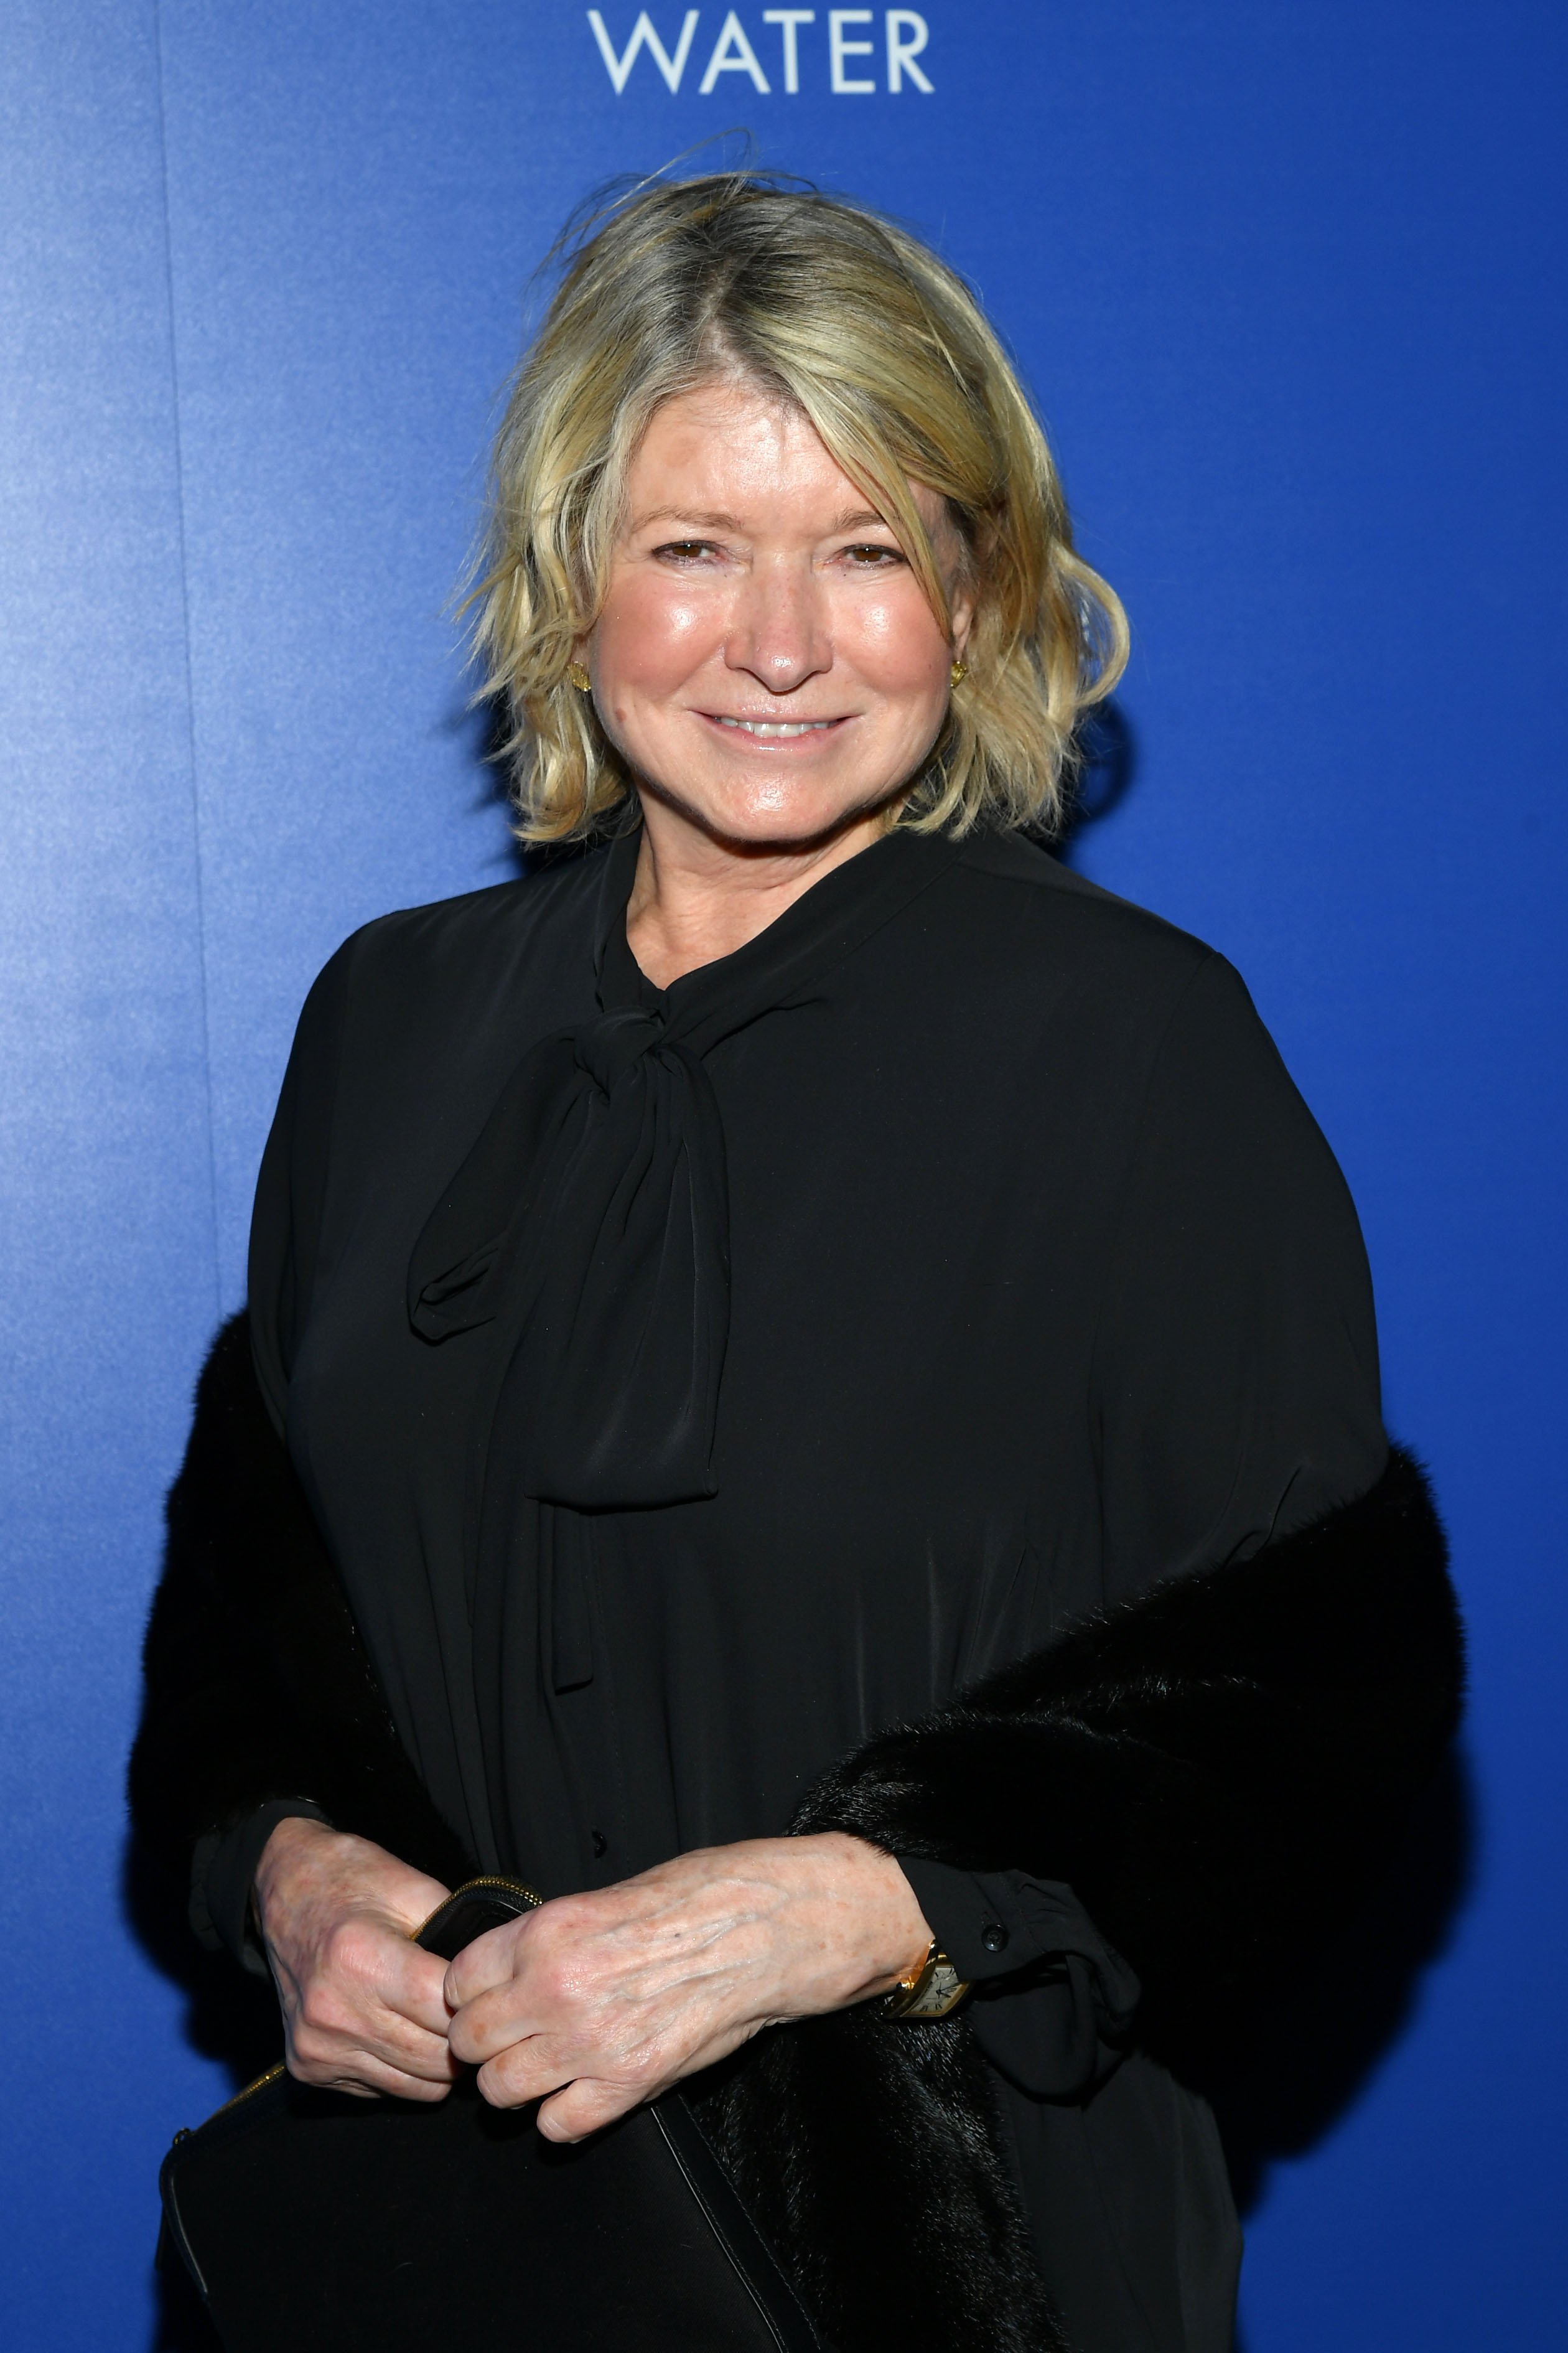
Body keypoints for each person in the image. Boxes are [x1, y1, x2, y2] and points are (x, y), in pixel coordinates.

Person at [131, 172, 1460, 2353]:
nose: (781, 641)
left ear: (980, 590)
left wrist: (854, 1912)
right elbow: (261, 1607)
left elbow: (1316, 1704)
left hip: (946, 2259)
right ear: (571, 585)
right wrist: (276, 1872)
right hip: (443, 2256)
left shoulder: (1133, 1043)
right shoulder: (389, 1017)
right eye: (694, 549)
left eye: (870, 551)